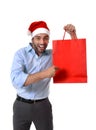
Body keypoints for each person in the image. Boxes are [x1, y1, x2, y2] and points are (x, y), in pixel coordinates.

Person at [10, 21, 77, 130]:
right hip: (21, 106)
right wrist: (44, 74)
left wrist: (73, 35)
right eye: (38, 38)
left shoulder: (53, 54)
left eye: (46, 38)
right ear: (32, 39)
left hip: (43, 106)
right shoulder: (20, 54)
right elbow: (16, 80)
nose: (42, 42)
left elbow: (73, 56)